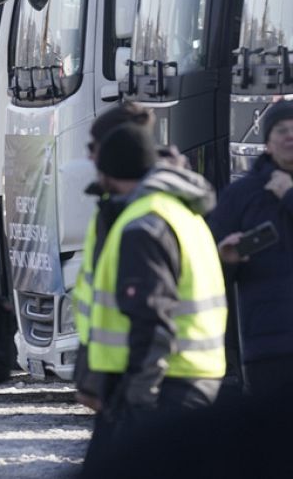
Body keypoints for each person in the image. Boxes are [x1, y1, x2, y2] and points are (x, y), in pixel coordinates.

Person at [74, 123, 227, 477]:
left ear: (108, 172)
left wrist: (138, 398)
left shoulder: (144, 224)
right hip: (187, 376)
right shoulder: (180, 211)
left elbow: (153, 319)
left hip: (164, 384)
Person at [209, 100, 293, 396]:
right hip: (266, 345)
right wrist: (226, 259)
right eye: (282, 130)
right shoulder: (241, 195)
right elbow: (207, 269)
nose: (290, 137)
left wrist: (288, 195)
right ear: (267, 143)